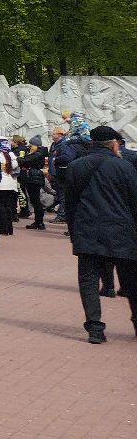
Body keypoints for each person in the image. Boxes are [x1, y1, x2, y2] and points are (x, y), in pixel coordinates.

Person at [63, 126, 137, 343]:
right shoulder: (124, 166)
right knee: (131, 282)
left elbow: (71, 203)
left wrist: (74, 233)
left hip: (88, 231)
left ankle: (95, 328)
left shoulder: (76, 166)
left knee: (88, 282)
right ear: (114, 144)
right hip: (122, 232)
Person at [20, 135, 49, 230]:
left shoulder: (38, 153)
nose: (29, 147)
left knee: (36, 200)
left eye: (31, 145)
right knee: (34, 200)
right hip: (32, 176)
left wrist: (23, 158)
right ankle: (38, 221)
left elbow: (25, 160)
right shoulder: (37, 153)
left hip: (35, 177)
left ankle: (39, 222)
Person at [0, 137, 21, 236]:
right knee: (9, 206)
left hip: (0, 184)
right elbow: (15, 167)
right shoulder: (11, 154)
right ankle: (9, 228)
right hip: (11, 184)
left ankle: (2, 228)